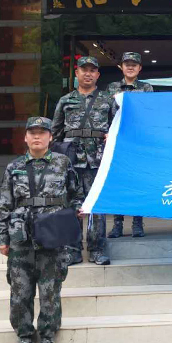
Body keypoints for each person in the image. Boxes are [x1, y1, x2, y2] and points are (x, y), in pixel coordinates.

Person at [0, 117, 84, 343]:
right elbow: (4, 205)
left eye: (42, 132)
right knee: (19, 294)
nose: (37, 137)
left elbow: (76, 195)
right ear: (25, 137)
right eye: (32, 132)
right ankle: (25, 342)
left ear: (50, 137)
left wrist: (73, 217)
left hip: (52, 238)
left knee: (50, 293)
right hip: (21, 240)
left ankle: (46, 341)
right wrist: (2, 238)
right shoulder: (14, 167)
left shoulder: (63, 163)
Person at [52, 56, 112, 266]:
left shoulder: (107, 100)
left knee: (97, 206)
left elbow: (117, 127)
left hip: (98, 160)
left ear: (98, 75)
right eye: (84, 70)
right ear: (76, 73)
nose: (88, 73)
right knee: (71, 205)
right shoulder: (65, 100)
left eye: (92, 70)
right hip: (71, 160)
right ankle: (72, 250)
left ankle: (97, 249)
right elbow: (55, 132)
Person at [106, 52, 153, 238]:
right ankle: (117, 224)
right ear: (121, 67)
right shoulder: (112, 88)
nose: (130, 67)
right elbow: (106, 113)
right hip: (119, 142)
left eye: (134, 64)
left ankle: (137, 223)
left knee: (137, 182)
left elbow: (150, 113)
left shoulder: (146, 88)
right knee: (118, 183)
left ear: (140, 68)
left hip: (138, 143)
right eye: (127, 64)